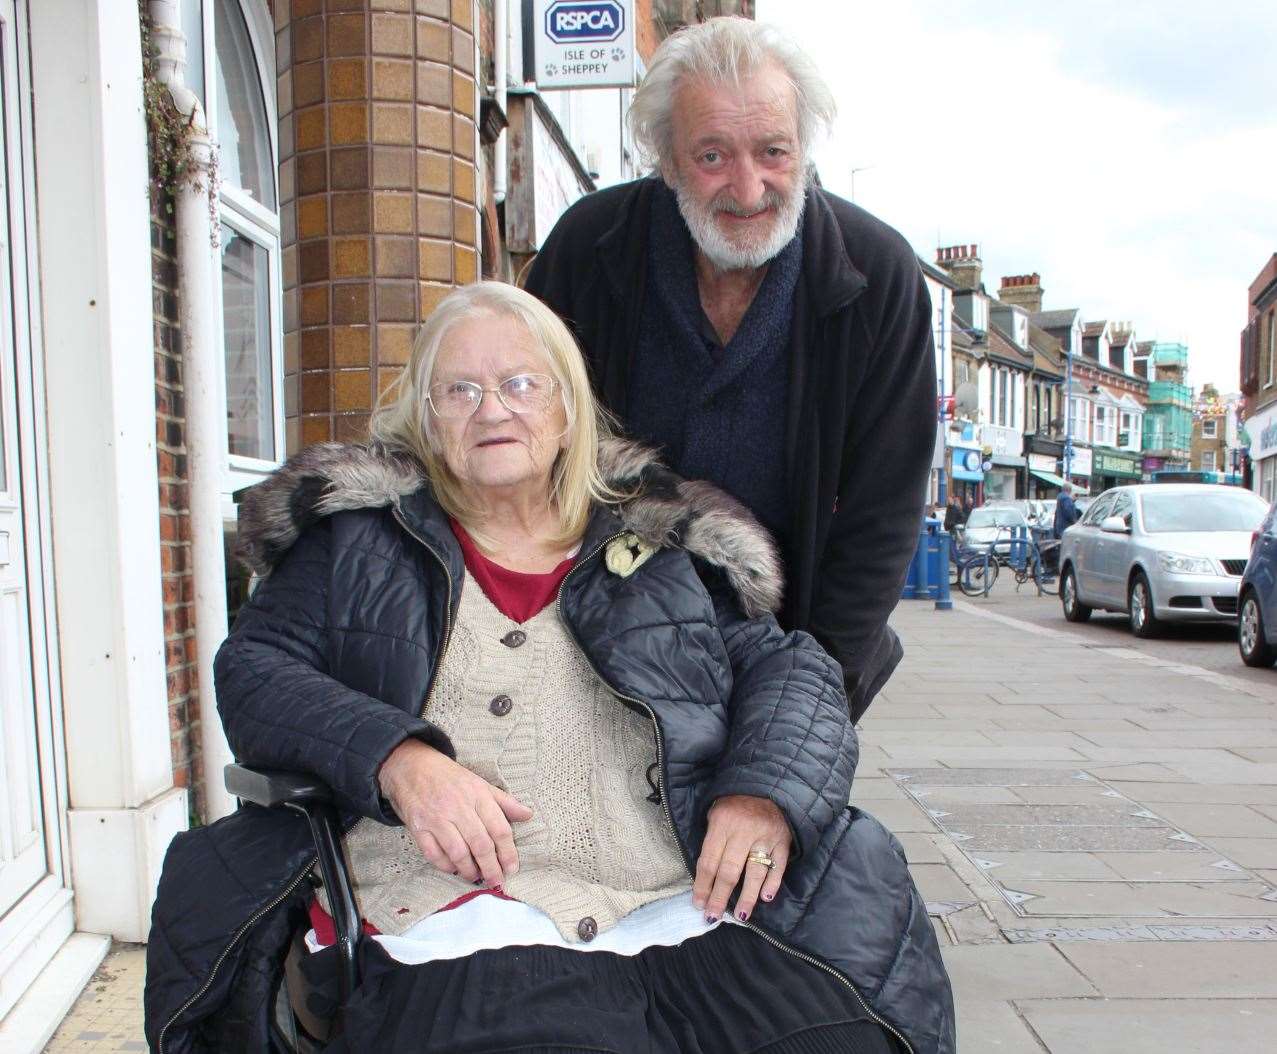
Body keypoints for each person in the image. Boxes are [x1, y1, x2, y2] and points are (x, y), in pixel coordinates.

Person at [144, 283, 954, 1054]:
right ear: (426, 419)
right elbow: (254, 669)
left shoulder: (663, 546)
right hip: (453, 915)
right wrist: (396, 757)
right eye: (458, 391)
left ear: (567, 411)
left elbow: (793, 672)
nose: (491, 409)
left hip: (671, 897)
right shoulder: (354, 544)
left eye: (519, 383)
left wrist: (762, 796)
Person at [524, 18, 935, 723]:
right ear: (665, 157)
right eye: (712, 155)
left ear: (803, 148)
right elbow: (525, 442)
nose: (748, 189)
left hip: (793, 645)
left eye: (773, 151)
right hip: (598, 649)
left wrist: (809, 699)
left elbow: (881, 517)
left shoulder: (879, 277)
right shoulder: (588, 249)